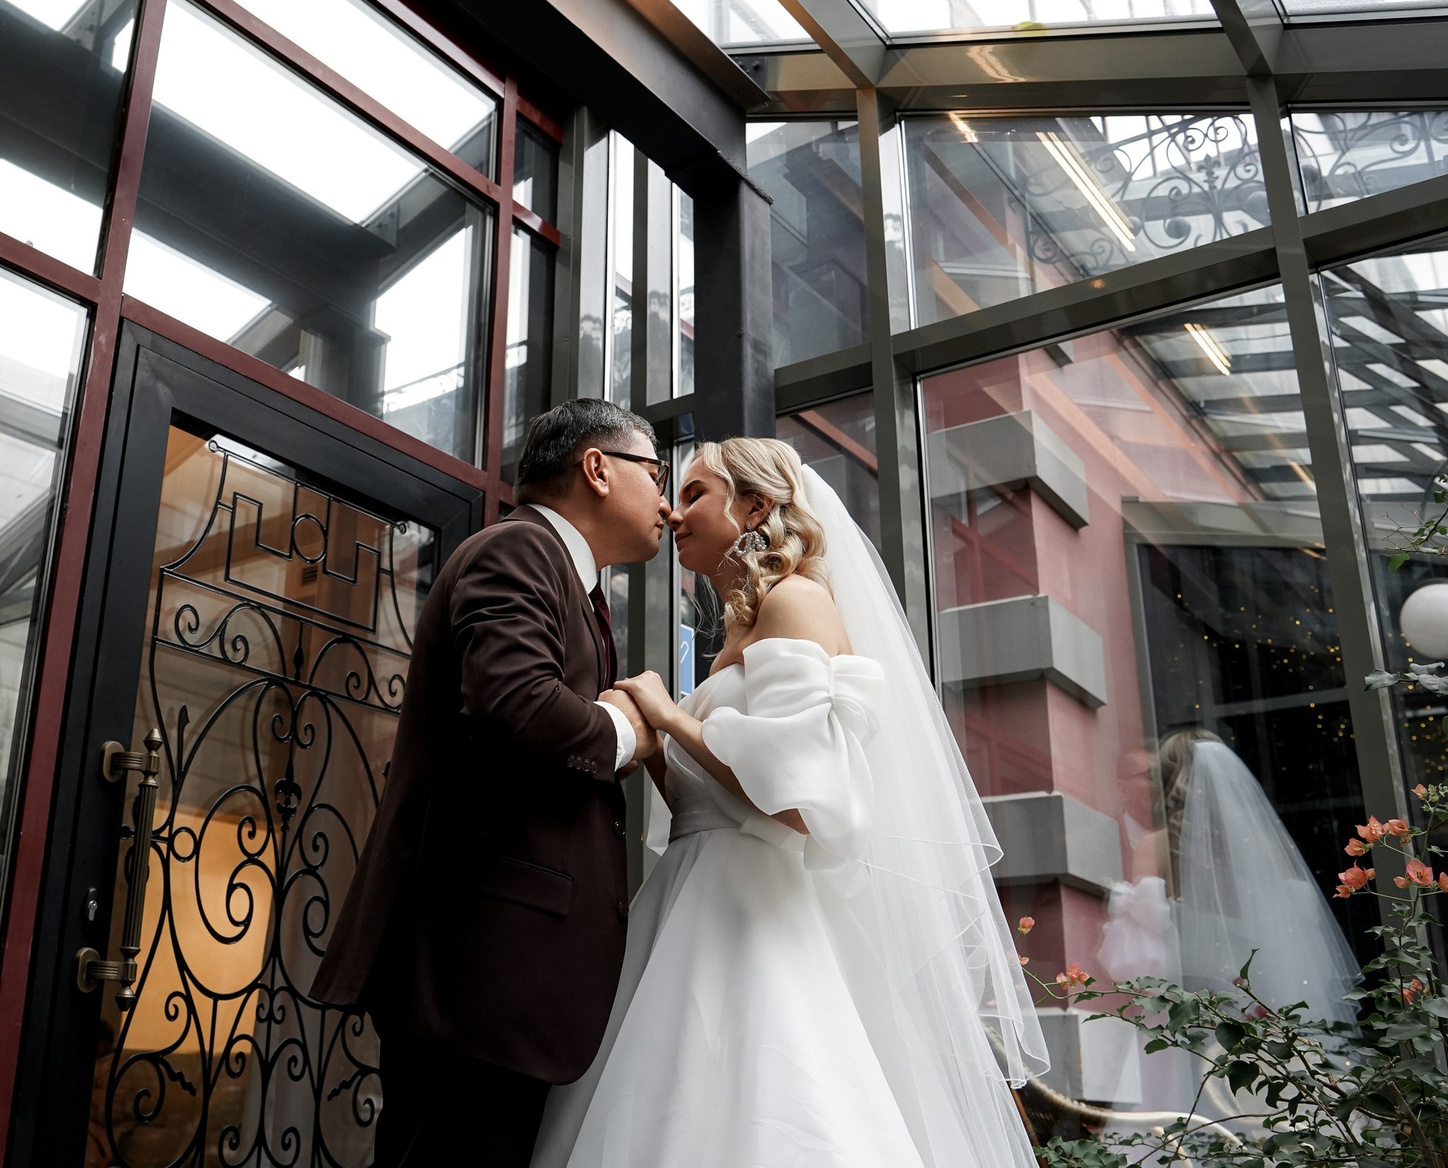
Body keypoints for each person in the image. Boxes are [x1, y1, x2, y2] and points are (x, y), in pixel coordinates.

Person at [531, 438, 1046, 1168]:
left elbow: (799, 805)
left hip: (753, 909)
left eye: (697, 493)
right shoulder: (743, 622)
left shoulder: (795, 600)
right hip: (694, 893)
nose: (675, 512)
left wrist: (673, 716)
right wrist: (656, 752)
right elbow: (716, 799)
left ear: (756, 508)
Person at [312, 398, 670, 1168]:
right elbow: (514, 705)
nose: (667, 503)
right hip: (477, 972)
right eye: (656, 473)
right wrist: (624, 733)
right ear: (598, 469)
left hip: (505, 977)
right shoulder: (518, 551)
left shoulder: (568, 579)